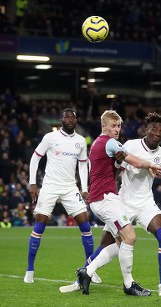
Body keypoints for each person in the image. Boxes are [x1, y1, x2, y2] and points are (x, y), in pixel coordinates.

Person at [66, 112, 161, 297]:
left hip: (146, 204)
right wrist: (106, 191)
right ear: (146, 130)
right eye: (154, 129)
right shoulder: (130, 145)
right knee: (107, 244)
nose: (157, 133)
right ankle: (82, 276)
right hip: (122, 202)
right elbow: (114, 171)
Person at [23, 108, 99, 284]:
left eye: (73, 116)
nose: (71, 119)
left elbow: (82, 166)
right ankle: (29, 270)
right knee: (39, 225)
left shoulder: (80, 141)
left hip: (70, 187)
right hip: (50, 186)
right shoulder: (50, 137)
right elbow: (35, 158)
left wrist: (85, 188)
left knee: (86, 225)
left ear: (76, 119)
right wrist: (32, 182)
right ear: (61, 119)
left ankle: (90, 269)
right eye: (67, 116)